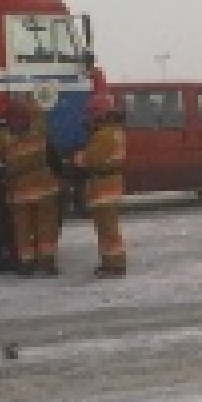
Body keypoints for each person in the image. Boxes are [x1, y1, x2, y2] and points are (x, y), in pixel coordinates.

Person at [0, 94, 62, 276]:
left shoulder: (4, 139)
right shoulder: (38, 133)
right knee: (46, 228)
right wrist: (31, 100)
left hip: (19, 193)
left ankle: (27, 264)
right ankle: (47, 263)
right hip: (44, 190)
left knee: (22, 231)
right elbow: (40, 116)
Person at [71, 93, 128, 278]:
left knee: (107, 229)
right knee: (107, 229)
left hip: (103, 186)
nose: (89, 119)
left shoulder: (103, 135)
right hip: (110, 184)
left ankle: (115, 265)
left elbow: (91, 159)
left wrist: (78, 157)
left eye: (92, 115)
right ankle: (110, 263)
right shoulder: (115, 131)